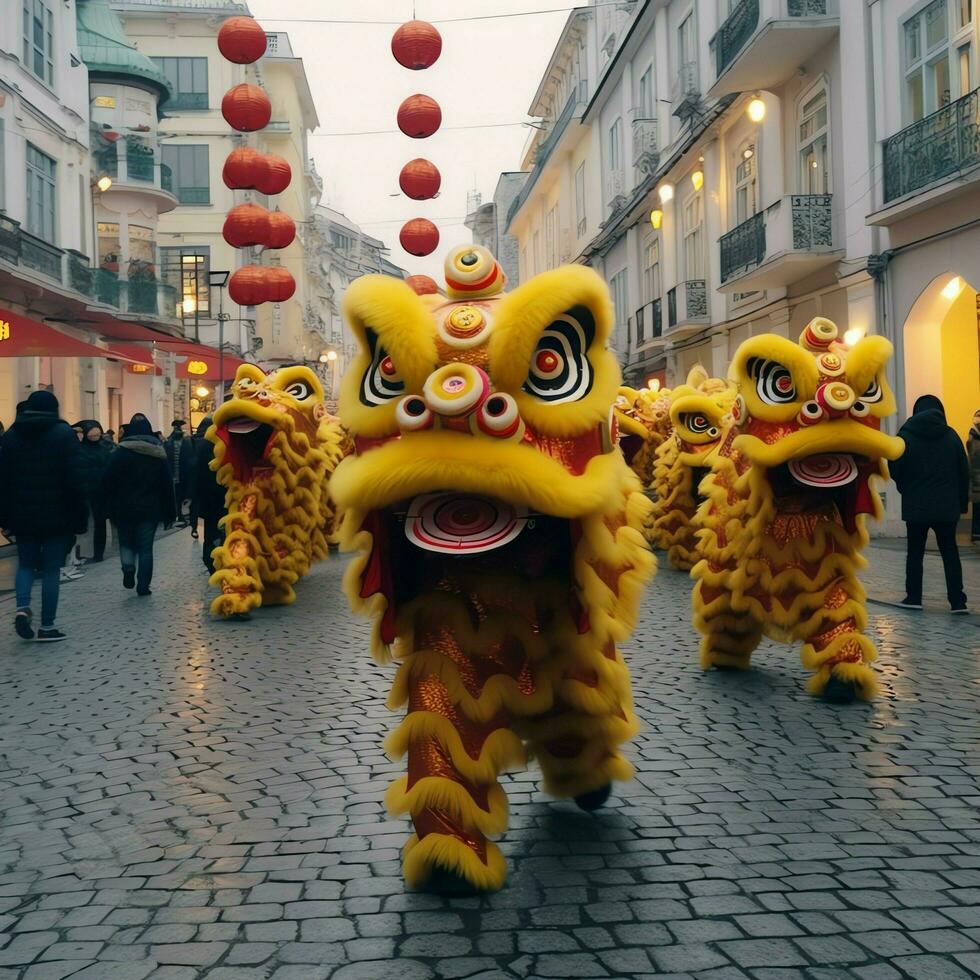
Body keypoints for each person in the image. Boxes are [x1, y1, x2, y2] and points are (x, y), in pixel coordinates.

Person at [0, 391, 87, 641]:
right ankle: (47, 626)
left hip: (22, 514)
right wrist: (79, 516)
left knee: (25, 564)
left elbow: (3, 479)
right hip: (57, 515)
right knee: (51, 570)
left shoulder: (12, 435)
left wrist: (4, 517)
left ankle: (22, 607)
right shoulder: (63, 434)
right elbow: (76, 479)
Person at [889, 394, 970, 613]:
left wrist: (906, 489)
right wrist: (961, 504)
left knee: (915, 552)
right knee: (950, 552)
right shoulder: (951, 436)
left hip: (916, 504)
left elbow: (894, 467)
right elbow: (964, 472)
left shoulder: (905, 436)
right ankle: (958, 601)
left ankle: (914, 597)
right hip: (946, 507)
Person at [101, 413, 176, 596]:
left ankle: (128, 568)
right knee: (145, 548)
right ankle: (143, 586)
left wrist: (107, 506)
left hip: (124, 507)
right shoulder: (158, 454)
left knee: (125, 542)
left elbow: (107, 481)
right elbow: (167, 484)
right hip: (149, 508)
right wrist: (170, 512)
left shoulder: (119, 452)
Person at [191, 417, 225, 573]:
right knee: (221, 527)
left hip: (206, 496)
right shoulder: (223, 443)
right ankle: (217, 556)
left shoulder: (202, 445)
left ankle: (209, 558)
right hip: (222, 494)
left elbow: (196, 472)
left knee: (210, 529)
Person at [76, 420, 112, 563]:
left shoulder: (78, 450)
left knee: (87, 524)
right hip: (100, 492)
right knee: (99, 523)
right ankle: (98, 554)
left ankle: (83, 554)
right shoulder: (105, 449)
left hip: (85, 492)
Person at [164, 419, 194, 525]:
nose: (178, 429)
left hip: (181, 474)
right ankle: (178, 515)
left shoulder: (173, 441)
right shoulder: (171, 441)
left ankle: (179, 515)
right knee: (178, 496)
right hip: (176, 474)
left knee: (181, 495)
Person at [969, 408, 980, 544]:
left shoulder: (972, 435)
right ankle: (976, 534)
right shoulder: (973, 436)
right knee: (977, 508)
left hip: (976, 477)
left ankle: (976, 534)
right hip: (977, 478)